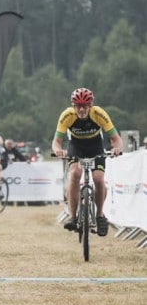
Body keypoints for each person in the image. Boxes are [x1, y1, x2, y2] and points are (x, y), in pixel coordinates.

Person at [51, 87, 123, 237]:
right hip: (76, 146)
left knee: (98, 178)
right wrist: (58, 150)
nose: (82, 109)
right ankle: (73, 216)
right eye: (78, 106)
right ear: (73, 106)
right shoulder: (67, 115)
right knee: (75, 173)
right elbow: (56, 141)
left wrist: (116, 148)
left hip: (95, 146)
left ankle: (100, 215)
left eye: (85, 106)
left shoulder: (99, 113)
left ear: (90, 105)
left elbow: (116, 138)